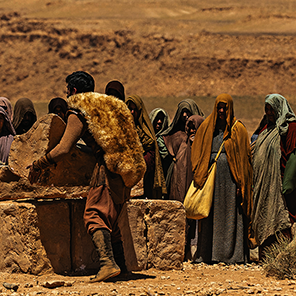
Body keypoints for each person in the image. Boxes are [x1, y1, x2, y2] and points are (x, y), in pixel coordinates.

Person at [29, 71, 145, 282]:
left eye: (67, 91)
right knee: (112, 218)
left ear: (73, 90)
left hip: (108, 168)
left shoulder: (80, 109)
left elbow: (64, 148)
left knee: (94, 214)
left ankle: (107, 264)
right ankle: (123, 267)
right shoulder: (108, 105)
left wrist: (40, 163)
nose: (66, 95)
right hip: (127, 168)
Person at [190, 94, 253, 264]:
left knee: (231, 218)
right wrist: (201, 172)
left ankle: (232, 256)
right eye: (219, 107)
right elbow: (197, 152)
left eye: (225, 108)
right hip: (210, 183)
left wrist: (241, 183)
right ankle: (207, 254)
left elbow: (243, 160)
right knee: (209, 218)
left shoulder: (237, 129)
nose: (222, 111)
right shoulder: (206, 128)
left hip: (232, 184)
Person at [251, 94, 296, 259]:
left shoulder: (292, 128)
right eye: (267, 109)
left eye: (272, 108)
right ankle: (267, 256)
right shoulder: (267, 128)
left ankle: (285, 258)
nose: (269, 112)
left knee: (284, 221)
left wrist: (287, 186)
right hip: (266, 187)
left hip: (283, 188)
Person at [162, 100, 204, 199]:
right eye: (182, 112)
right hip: (178, 176)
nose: (185, 115)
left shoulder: (203, 133)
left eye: (188, 111)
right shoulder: (173, 135)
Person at [126, 96, 166, 199]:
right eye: (130, 109)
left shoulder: (146, 131)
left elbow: (151, 146)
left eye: (135, 109)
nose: (131, 112)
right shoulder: (122, 128)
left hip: (145, 181)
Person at [179, 115, 204, 260]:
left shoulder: (204, 145)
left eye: (195, 127)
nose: (192, 131)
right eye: (190, 127)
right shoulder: (183, 144)